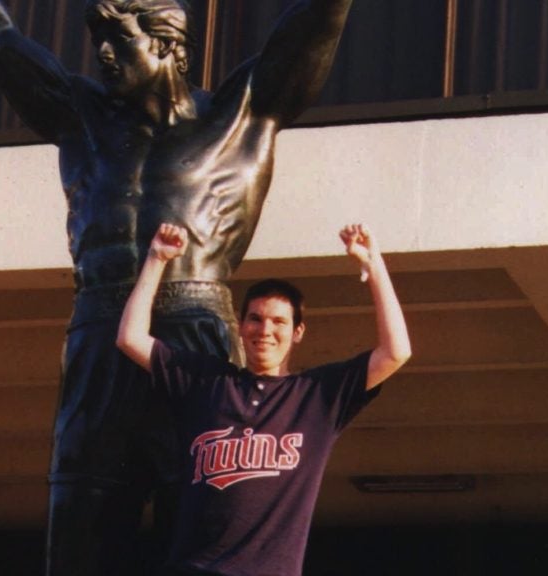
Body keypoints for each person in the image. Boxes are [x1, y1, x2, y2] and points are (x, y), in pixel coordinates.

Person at [0, 0, 357, 573]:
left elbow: (313, 23)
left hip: (196, 330)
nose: (103, 56)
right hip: (101, 329)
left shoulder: (242, 112)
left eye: (118, 40)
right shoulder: (80, 116)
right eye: (99, 44)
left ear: (164, 44)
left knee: (199, 515)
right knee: (80, 521)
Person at [117, 222, 411, 575]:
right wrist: (156, 258)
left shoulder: (316, 396)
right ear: (241, 326)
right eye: (255, 319)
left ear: (298, 332)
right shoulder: (204, 382)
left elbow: (396, 352)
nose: (265, 330)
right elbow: (130, 338)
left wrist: (374, 265)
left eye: (278, 321)